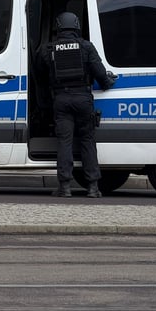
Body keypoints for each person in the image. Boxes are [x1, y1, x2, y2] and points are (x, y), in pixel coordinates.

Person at [35, 11, 112, 198]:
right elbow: (101, 74)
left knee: (64, 142)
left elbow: (39, 75)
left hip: (61, 100)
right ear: (77, 26)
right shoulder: (86, 47)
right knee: (87, 141)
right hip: (83, 99)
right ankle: (93, 188)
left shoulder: (48, 49)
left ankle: (65, 187)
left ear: (58, 27)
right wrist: (107, 83)